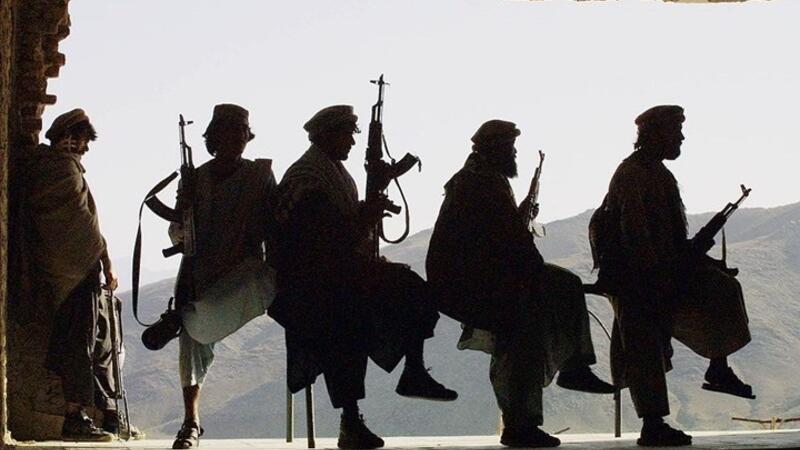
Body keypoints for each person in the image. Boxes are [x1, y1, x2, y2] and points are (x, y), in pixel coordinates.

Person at [270, 105, 456, 450]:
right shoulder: (308, 178)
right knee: (347, 320)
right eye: (347, 134)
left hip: (335, 274)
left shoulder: (334, 173)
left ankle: (413, 371)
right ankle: (352, 419)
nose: (352, 142)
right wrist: (365, 218)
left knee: (413, 290)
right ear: (326, 135)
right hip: (308, 286)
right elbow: (323, 240)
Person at [426, 120, 614, 449]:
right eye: (510, 148)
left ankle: (567, 373)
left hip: (480, 278)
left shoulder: (479, 177)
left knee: (560, 288)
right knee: (524, 334)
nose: (514, 154)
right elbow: (510, 241)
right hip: (473, 283)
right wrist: (534, 271)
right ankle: (523, 421)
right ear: (495, 149)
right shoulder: (483, 182)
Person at [589, 105, 754, 447]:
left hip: (661, 272)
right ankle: (653, 425)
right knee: (644, 348)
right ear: (655, 134)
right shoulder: (632, 174)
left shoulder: (660, 174)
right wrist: (656, 278)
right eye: (675, 131)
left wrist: (700, 261)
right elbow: (634, 232)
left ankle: (718, 367)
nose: (681, 137)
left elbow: (672, 240)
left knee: (721, 286)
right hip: (635, 278)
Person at [23, 109, 141, 441]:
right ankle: (75, 417)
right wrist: (104, 258)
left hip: (71, 270)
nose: (85, 147)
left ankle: (106, 413)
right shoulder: (60, 170)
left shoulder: (58, 169)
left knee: (98, 341)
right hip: (74, 270)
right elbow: (80, 224)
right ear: (68, 137)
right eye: (82, 139)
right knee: (78, 342)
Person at [168, 104, 277, 449]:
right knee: (191, 340)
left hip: (244, 273)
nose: (238, 139)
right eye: (230, 132)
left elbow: (275, 224)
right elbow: (176, 228)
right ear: (215, 137)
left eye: (242, 132)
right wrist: (183, 227)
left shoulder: (259, 175)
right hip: (201, 271)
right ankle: (191, 422)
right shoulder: (196, 179)